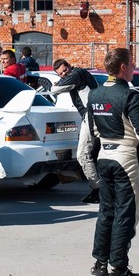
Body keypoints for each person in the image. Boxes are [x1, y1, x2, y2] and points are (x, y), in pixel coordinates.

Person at [86, 48, 139, 276]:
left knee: (106, 211)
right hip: (126, 157)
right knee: (126, 213)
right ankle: (119, 267)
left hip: (104, 154)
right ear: (123, 67)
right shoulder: (131, 96)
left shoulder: (94, 95)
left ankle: (100, 262)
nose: (134, 68)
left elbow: (93, 129)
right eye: (132, 64)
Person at [52, 58, 100, 203]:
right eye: (61, 74)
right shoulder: (79, 73)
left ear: (69, 66)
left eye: (65, 71)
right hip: (94, 115)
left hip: (90, 116)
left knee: (83, 154)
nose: (64, 75)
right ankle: (102, 188)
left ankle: (98, 189)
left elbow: (55, 89)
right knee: (97, 154)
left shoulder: (75, 74)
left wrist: (59, 83)